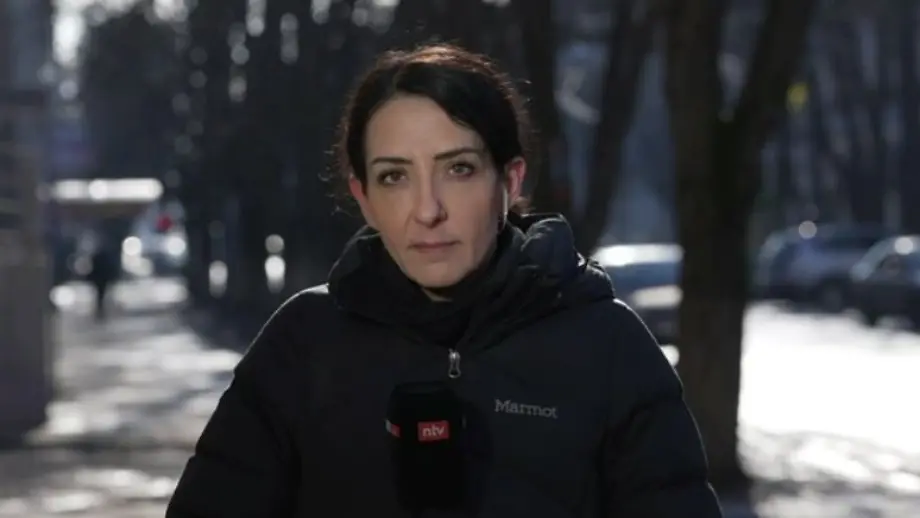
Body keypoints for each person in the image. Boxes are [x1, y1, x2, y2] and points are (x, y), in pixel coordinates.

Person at [166, 44, 722, 517]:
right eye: (394, 177)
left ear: (510, 181)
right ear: (364, 197)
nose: (428, 210)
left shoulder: (607, 348)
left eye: (458, 169)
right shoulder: (303, 346)